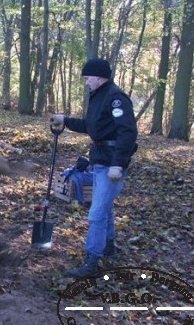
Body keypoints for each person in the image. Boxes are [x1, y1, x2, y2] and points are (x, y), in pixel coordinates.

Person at [50, 58, 137, 278]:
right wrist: (65, 120)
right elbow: (91, 127)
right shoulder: (99, 96)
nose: (86, 81)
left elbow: (127, 132)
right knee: (104, 208)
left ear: (99, 76)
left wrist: (118, 164)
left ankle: (92, 260)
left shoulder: (116, 98)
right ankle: (108, 247)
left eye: (88, 77)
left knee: (96, 213)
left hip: (111, 163)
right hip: (100, 161)